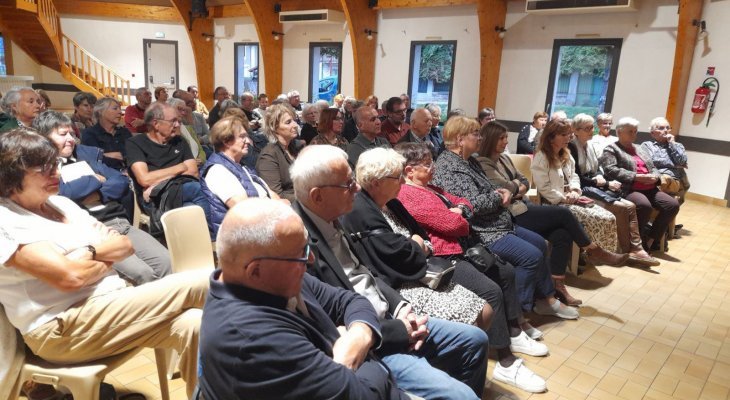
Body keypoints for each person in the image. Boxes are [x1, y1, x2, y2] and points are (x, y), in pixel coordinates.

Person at [0, 128, 208, 398]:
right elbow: (70, 278)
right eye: (44, 168)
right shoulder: (7, 219)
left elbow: (124, 245)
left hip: (109, 307)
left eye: (56, 165)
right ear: (11, 176)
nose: (57, 173)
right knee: (205, 281)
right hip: (61, 328)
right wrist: (100, 253)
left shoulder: (63, 204)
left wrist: (85, 255)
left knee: (196, 323)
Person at [290, 145, 489, 399]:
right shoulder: (295, 242)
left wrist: (401, 306)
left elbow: (367, 273)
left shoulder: (335, 216)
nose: (357, 189)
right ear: (317, 196)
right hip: (373, 343)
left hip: (391, 314)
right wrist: (399, 329)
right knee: (462, 396)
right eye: (347, 185)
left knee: (475, 339)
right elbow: (331, 323)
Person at [200, 198, 408, 399]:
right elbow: (362, 395)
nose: (311, 259)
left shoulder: (275, 280)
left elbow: (349, 300)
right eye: (301, 253)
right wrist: (365, 361)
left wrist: (358, 338)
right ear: (255, 271)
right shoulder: (252, 340)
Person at [394, 142, 550, 392]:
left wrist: (460, 210)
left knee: (506, 272)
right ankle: (505, 361)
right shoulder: (407, 195)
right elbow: (452, 225)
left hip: (463, 247)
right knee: (491, 291)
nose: (433, 167)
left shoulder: (432, 187)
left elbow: (462, 202)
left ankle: (514, 330)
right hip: (445, 257)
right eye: (426, 164)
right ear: (410, 171)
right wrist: (459, 215)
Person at [431, 116, 579, 319]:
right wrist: (501, 196)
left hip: (498, 221)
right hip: (481, 230)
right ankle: (518, 316)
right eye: (476, 134)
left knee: (540, 243)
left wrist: (502, 192)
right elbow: (470, 204)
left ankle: (545, 299)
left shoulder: (469, 160)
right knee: (531, 256)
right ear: (460, 139)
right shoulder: (450, 166)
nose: (481, 138)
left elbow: (493, 188)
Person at [34, 111, 173, 285]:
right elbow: (62, 194)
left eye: (72, 133)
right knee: (143, 274)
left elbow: (119, 181)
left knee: (167, 262)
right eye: (63, 134)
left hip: (119, 222)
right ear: (44, 138)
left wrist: (97, 193)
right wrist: (94, 180)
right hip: (91, 232)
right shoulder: (41, 168)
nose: (71, 138)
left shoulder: (84, 156)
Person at [569, 114, 659, 266]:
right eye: (587, 128)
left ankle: (636, 249)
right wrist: (604, 184)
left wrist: (603, 181)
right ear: (576, 131)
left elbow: (597, 170)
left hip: (594, 185)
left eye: (592, 127)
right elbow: (578, 176)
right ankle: (626, 251)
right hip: (583, 188)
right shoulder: (572, 147)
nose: (592, 130)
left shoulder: (588, 145)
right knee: (622, 208)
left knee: (630, 206)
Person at [532, 119, 624, 256]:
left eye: (569, 134)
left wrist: (575, 191)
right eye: (563, 135)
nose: (568, 138)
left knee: (608, 216)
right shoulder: (542, 157)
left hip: (572, 198)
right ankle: (596, 253)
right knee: (599, 218)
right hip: (553, 202)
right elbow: (544, 188)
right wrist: (564, 198)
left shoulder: (566, 154)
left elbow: (574, 176)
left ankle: (597, 253)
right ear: (551, 137)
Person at [125, 102, 211, 236]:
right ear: (156, 123)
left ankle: (189, 249)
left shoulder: (180, 141)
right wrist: (180, 167)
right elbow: (144, 179)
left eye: (178, 121)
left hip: (180, 191)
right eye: (173, 121)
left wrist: (159, 180)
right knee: (198, 189)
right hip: (156, 198)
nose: (178, 125)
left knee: (192, 208)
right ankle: (209, 240)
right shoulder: (135, 143)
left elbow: (193, 172)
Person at [599, 117, 680, 251]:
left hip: (650, 188)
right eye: (630, 131)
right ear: (619, 132)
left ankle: (652, 239)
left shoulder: (639, 148)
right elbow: (610, 170)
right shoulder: (612, 149)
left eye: (635, 131)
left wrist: (656, 178)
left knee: (672, 205)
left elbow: (652, 166)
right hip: (629, 188)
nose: (634, 134)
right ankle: (636, 242)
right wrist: (636, 177)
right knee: (644, 205)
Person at [201, 117, 281, 238]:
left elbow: (271, 194)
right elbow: (245, 210)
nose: (248, 141)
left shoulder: (242, 166)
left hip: (262, 228)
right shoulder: (218, 171)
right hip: (241, 238)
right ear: (226, 141)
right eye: (242, 136)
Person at [641, 117, 690, 205]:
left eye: (668, 128)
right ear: (652, 133)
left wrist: (672, 144)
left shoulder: (678, 145)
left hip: (672, 180)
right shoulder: (647, 145)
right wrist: (673, 164)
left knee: (665, 178)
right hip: (654, 177)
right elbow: (648, 163)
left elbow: (682, 161)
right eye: (661, 128)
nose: (666, 130)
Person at [255, 104, 299, 202]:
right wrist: (307, 197)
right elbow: (276, 195)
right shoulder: (268, 156)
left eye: (294, 121)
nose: (295, 125)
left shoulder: (294, 147)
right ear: (274, 127)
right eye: (288, 122)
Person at [81, 97, 133, 172]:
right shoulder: (90, 133)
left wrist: (103, 155)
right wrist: (102, 156)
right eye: (115, 108)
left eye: (120, 109)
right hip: (105, 176)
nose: (120, 112)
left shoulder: (124, 132)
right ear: (101, 111)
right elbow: (91, 158)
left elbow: (132, 155)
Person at [167, 97, 206, 167]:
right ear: (169, 109)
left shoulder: (189, 128)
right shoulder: (168, 130)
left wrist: (201, 159)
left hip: (199, 166)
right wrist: (191, 162)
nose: (183, 113)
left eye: (184, 110)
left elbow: (200, 149)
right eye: (179, 109)